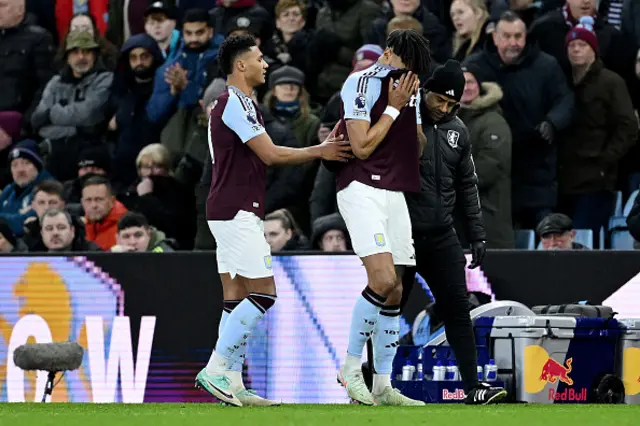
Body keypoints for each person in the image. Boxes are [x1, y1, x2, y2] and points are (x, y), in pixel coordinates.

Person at [195, 34, 352, 407]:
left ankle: (231, 380)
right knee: (264, 292)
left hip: (230, 207)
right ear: (240, 65)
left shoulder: (241, 103)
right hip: (235, 209)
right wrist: (320, 150)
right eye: (260, 58)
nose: (266, 64)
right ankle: (216, 368)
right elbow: (268, 154)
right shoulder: (233, 102)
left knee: (235, 298)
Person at [332, 29, 431, 407]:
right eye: (402, 67)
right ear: (387, 54)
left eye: (412, 72)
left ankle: (383, 385)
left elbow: (417, 146)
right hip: (361, 188)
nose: (404, 77)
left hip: (396, 191)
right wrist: (392, 107)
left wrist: (411, 108)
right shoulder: (360, 82)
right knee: (382, 278)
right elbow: (361, 146)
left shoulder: (411, 90)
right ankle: (351, 366)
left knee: (397, 287)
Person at [403, 59, 507, 405]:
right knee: (388, 309)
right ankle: (373, 382)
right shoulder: (401, 119)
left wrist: (477, 234)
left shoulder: (458, 130)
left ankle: (473, 386)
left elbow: (468, 186)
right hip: (402, 234)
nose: (444, 108)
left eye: (451, 104)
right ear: (425, 92)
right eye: (439, 100)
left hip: (441, 234)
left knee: (458, 310)